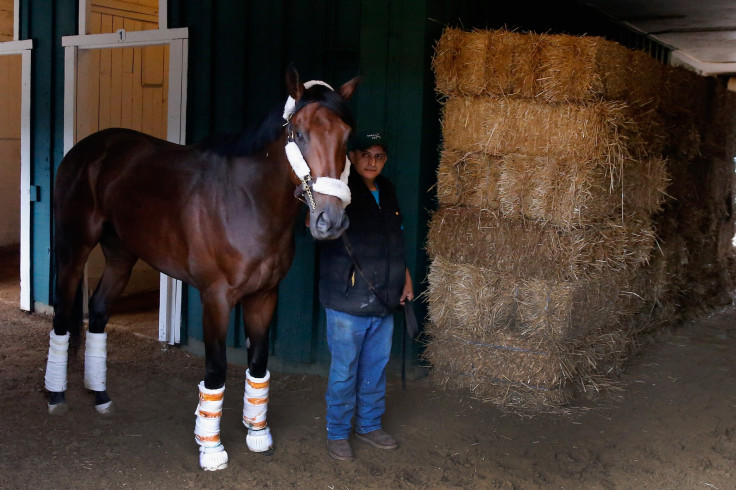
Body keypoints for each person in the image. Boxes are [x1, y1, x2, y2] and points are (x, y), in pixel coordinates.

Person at [318, 130, 414, 461]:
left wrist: (405, 277)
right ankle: (338, 432)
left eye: (379, 156)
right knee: (345, 370)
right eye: (366, 155)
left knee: (375, 367)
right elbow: (318, 227)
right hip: (347, 298)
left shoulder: (386, 190)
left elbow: (394, 238)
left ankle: (370, 424)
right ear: (352, 156)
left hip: (385, 298)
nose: (372, 162)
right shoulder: (339, 191)